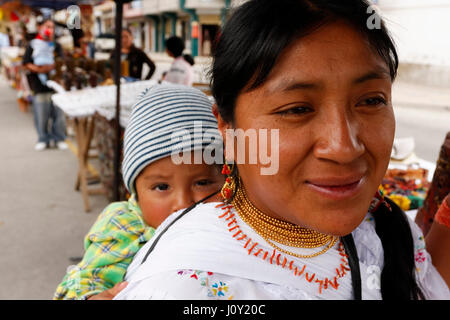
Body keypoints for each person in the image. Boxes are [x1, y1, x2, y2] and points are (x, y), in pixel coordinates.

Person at [115, 0, 449, 300]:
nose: (344, 148)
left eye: (371, 100)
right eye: (296, 109)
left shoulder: (391, 232)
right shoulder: (181, 286)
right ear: (227, 129)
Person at [53, 84, 224, 300]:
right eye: (162, 187)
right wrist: (94, 296)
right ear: (135, 191)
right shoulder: (124, 225)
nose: (183, 203)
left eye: (202, 182)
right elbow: (88, 279)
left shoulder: (237, 219)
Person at [22, 18, 67, 151]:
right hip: (39, 85)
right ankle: (43, 138)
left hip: (55, 84)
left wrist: (53, 67)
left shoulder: (56, 45)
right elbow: (26, 62)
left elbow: (61, 61)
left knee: (58, 115)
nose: (49, 29)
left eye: (52, 27)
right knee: (41, 114)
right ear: (40, 27)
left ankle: (59, 137)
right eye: (47, 26)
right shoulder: (32, 44)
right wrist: (40, 69)